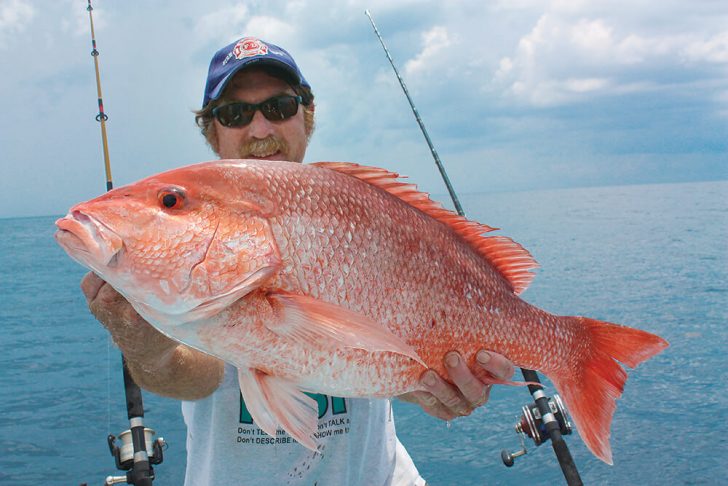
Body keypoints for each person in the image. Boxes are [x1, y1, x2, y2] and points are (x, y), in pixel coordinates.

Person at [80, 37, 515, 485]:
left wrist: (434, 387)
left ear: (306, 117)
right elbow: (195, 375)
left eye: (280, 107)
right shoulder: (200, 283)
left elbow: (382, 362)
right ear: (213, 132)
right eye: (235, 114)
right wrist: (143, 344)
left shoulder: (357, 207)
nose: (261, 129)